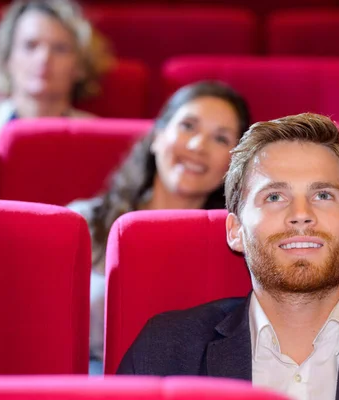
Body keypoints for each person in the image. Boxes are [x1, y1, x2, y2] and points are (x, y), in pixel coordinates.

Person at [117, 112, 339, 397]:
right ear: (235, 232)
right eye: (274, 196)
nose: (301, 213)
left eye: (324, 195)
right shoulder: (164, 351)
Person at [67, 80, 251, 364]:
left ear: (233, 164)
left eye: (220, 139)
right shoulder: (83, 221)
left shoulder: (238, 245)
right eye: (188, 126)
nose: (197, 146)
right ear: (157, 135)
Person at [0, 0, 112, 199]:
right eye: (30, 45)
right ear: (8, 58)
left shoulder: (98, 136)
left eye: (60, 48)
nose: (44, 58)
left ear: (79, 66)